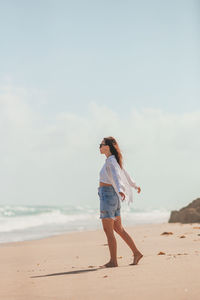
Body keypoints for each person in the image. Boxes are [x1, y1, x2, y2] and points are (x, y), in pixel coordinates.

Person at [98, 136, 143, 268]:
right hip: (113, 197)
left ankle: (113, 261)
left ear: (108, 146)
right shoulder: (112, 160)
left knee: (109, 230)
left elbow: (118, 177)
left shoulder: (111, 161)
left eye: (101, 145)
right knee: (118, 228)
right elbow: (124, 174)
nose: (99, 148)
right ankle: (136, 253)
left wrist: (121, 189)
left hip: (108, 196)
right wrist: (133, 185)